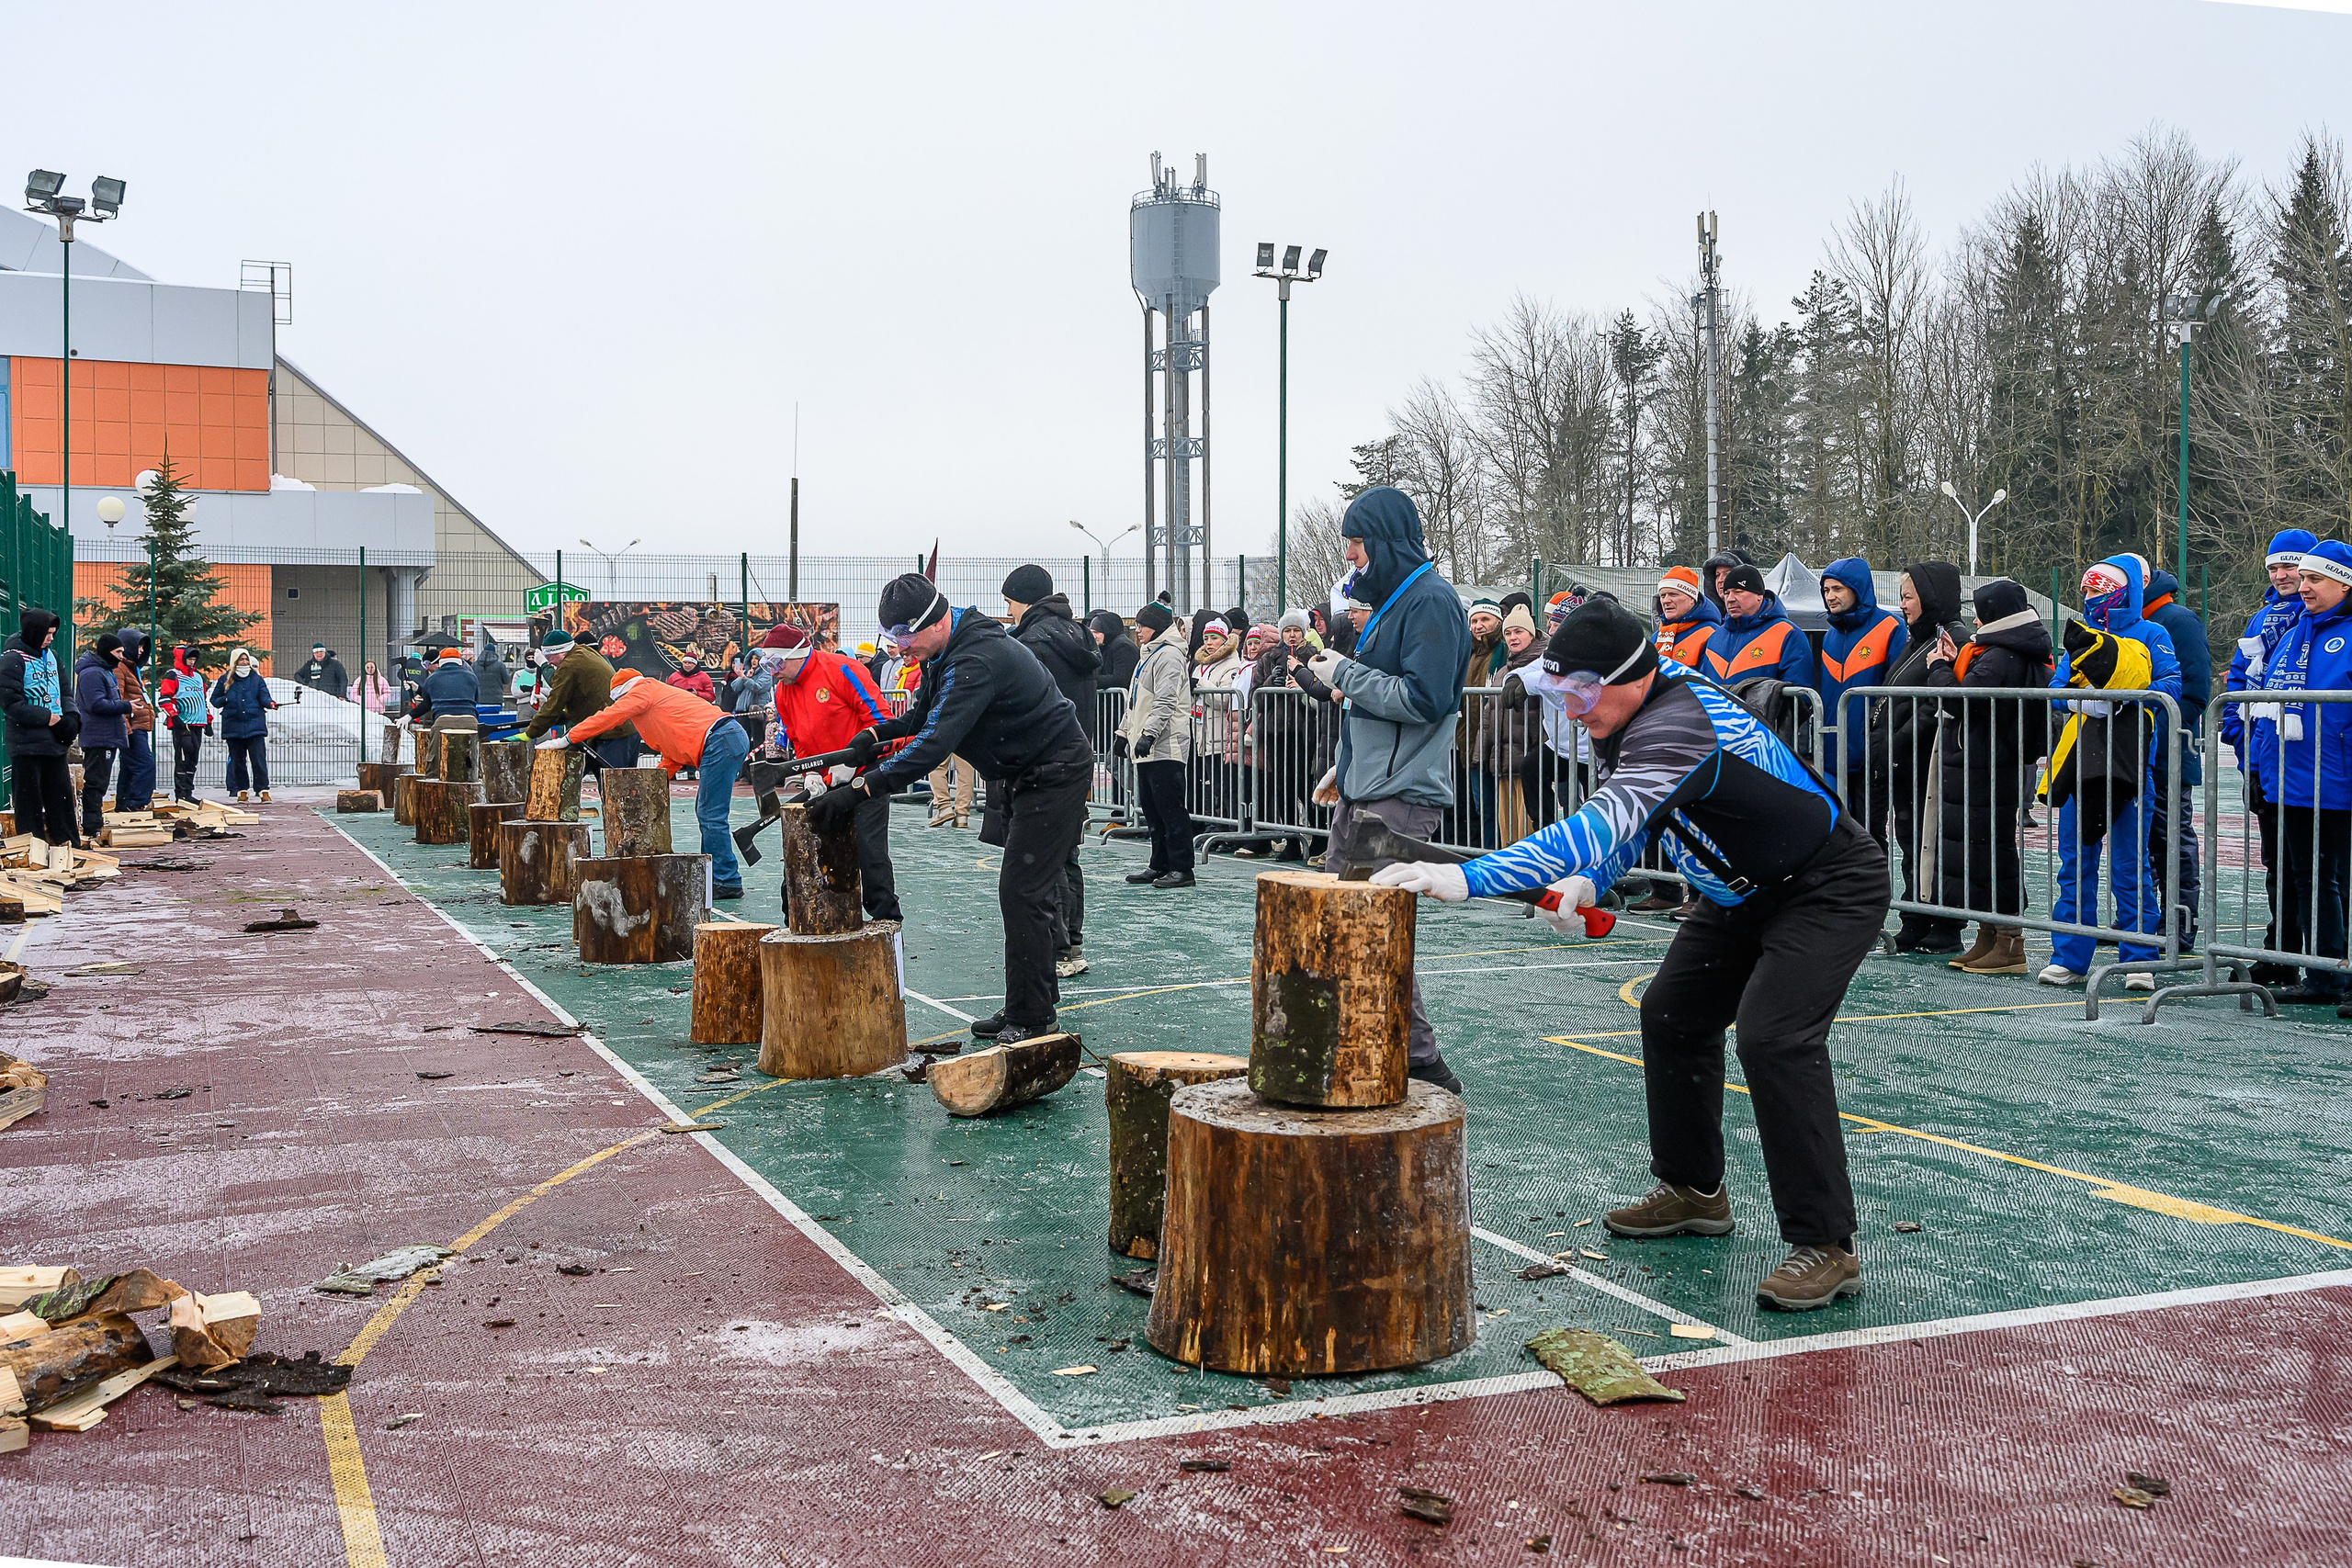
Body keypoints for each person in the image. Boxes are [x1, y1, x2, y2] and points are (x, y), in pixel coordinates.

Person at [1373, 597, 1888, 1312]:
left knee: (1775, 1038)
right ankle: (1694, 1190)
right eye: (1563, 695)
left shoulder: (1680, 721)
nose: (1575, 710)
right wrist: (1595, 878)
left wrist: (1465, 875)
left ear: (1630, 676)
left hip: (1827, 885)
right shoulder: (1632, 708)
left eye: (1583, 693)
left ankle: (1828, 1244)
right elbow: (1642, 817)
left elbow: (1598, 821)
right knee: (1672, 1013)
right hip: (1735, 893)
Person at [812, 573, 1095, 1045]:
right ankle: (1027, 1005)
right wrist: (874, 737)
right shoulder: (946, 650)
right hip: (1025, 770)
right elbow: (922, 715)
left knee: (1024, 890)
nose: (901, 650)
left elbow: (935, 743)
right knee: (1024, 891)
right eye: (893, 639)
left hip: (1056, 770)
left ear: (936, 620)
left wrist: (862, 790)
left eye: (906, 637)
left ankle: (1034, 1017)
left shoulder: (976, 659)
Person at [1304, 485, 1474, 1093]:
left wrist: (1343, 673)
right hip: (1370, 788)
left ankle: (1422, 1060)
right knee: (1345, 921)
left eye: (1355, 544)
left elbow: (1425, 700)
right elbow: (1386, 702)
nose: (1350, 558)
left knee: (1370, 928)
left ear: (1382, 541)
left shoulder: (1430, 602)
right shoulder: (1405, 597)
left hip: (1399, 796)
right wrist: (1345, 771)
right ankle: (1368, 1043)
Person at [2040, 554, 2181, 991]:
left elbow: (2172, 685)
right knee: (2074, 862)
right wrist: (2079, 700)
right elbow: (2056, 687)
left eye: (2098, 589)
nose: (2090, 597)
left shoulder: (2152, 632)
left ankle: (2138, 956)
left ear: (2121, 591)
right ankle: (2070, 955)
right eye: (2085, 591)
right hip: (2081, 765)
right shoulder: (2081, 636)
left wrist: (2125, 695)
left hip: (2130, 762)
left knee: (2129, 863)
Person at [1928, 579, 2052, 976]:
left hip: (1988, 763)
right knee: (1980, 849)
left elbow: (1966, 701)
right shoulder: (2007, 649)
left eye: (1982, 610)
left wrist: (1940, 669)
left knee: (1989, 849)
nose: (1976, 619)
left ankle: (2010, 941)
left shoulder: (2001, 655)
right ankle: (1990, 933)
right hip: (1988, 760)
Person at [2255, 541, 2352, 1006]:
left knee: (2338, 879)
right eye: (2303, 578)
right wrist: (2258, 760)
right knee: (2308, 879)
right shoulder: (2296, 630)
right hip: (2293, 778)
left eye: (2316, 579)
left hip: (2340, 778)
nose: (2304, 586)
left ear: (2344, 583)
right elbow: (2263, 700)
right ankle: (2326, 973)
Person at [560, 667, 751, 899]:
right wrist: (647, 786)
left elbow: (610, 716)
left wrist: (570, 737)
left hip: (720, 739)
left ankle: (725, 879)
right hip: (723, 738)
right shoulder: (657, 705)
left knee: (710, 814)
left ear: (623, 694)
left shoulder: (644, 690)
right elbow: (673, 755)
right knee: (708, 813)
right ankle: (716, 876)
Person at [2222, 529, 2317, 984]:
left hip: (2307, 762)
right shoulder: (2263, 618)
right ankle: (2279, 948)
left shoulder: (2318, 618)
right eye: (2274, 568)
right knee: (2276, 861)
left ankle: (2314, 956)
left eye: (2290, 567)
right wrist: (2241, 738)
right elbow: (2240, 681)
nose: (2281, 576)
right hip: (2262, 758)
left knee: (2313, 866)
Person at [766, 624, 901, 923]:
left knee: (870, 852)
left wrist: (857, 759)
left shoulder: (843, 670)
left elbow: (885, 724)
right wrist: (810, 772)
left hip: (868, 772)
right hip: (828, 780)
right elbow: (799, 741)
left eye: (777, 663)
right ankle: (796, 921)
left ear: (797, 655)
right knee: (804, 847)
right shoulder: (782, 692)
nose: (773, 672)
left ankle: (888, 924)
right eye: (769, 665)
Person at [1004, 566, 1102, 977]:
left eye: (1009, 602)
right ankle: (1071, 944)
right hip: (1076, 754)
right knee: (1067, 855)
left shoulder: (1032, 643)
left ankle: (1059, 947)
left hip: (1044, 760)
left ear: (1024, 600)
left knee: (1044, 860)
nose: (1007, 611)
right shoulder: (1075, 634)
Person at [1875, 562, 1970, 954]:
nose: (1903, 605)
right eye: (1901, 597)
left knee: (1941, 842)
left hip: (1933, 760)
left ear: (1931, 597)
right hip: (1906, 762)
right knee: (1912, 838)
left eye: (1909, 596)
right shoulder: (1917, 640)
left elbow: (1937, 704)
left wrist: (1898, 739)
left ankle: (1947, 923)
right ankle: (1915, 915)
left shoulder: (1955, 640)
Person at [2142, 568, 2210, 952]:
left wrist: (2151, 728)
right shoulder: (2135, 621)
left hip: (2166, 754)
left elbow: (2194, 693)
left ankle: (2179, 922)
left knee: (2171, 840)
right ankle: (2142, 916)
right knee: (2138, 838)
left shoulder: (2177, 620)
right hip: (2131, 754)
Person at [1117, 601, 1197, 886]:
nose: (1137, 630)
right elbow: (1135, 701)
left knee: (1171, 808)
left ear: (1157, 626)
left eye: (1143, 625)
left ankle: (1182, 867)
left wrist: (1149, 734)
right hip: (1146, 747)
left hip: (1166, 745)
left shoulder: (1170, 656)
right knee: (1151, 808)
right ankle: (1159, 862)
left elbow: (1165, 701)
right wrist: (1123, 733)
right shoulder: (1147, 656)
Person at [1815, 558, 1905, 785]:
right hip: (1831, 755)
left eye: (1838, 589)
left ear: (1858, 589)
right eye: (1826, 590)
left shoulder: (1891, 627)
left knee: (1867, 821)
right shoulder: (1829, 636)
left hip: (1871, 756)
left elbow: (1899, 692)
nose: (1830, 596)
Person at [0, 609, 76, 845]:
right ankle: (32, 848)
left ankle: (67, 844)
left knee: (61, 798)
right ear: (34, 632)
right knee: (29, 802)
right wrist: (46, 717)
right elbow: (10, 702)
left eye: (53, 634)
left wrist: (72, 717)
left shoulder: (52, 656)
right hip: (27, 743)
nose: (51, 638)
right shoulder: (13, 658)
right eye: (47, 633)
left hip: (54, 741)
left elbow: (65, 690)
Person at [523, 628, 640, 771]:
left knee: (613, 783)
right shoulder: (584, 652)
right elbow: (580, 696)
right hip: (621, 728)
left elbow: (553, 706)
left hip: (614, 733)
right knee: (617, 782)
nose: (550, 662)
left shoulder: (569, 665)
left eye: (550, 657)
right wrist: (562, 714)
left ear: (562, 652)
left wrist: (528, 734)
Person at [1484, 604, 1546, 843]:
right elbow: (1489, 715)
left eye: (1518, 631)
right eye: (1508, 633)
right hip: (1503, 761)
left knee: (1528, 825)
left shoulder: (1542, 666)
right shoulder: (1502, 672)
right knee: (1507, 825)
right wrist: (1484, 754)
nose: (1512, 637)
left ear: (1531, 634)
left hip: (1531, 762)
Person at [1702, 562, 1815, 687]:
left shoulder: (1788, 634)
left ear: (1759, 596)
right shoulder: (1715, 637)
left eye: (1738, 592)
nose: (1730, 599)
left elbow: (1799, 696)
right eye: (1727, 593)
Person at [75, 632, 136, 836]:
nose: (121, 656)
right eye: (118, 651)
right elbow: (96, 704)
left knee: (99, 781)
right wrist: (126, 706)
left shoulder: (104, 671)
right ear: (106, 651)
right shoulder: (93, 673)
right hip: (98, 736)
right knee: (96, 782)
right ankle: (92, 826)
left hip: (105, 735)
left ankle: (94, 823)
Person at [212, 648, 278, 803]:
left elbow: (264, 696)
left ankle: (263, 789)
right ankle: (242, 789)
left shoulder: (256, 679)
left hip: (255, 724)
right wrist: (225, 700)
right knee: (238, 761)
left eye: (246, 659)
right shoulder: (225, 679)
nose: (244, 662)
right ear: (234, 661)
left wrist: (270, 703)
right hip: (233, 726)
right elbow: (215, 700)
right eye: (241, 660)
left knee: (258, 760)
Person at [110, 629, 158, 815]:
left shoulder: (131, 668)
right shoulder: (121, 669)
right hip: (132, 727)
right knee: (145, 765)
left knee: (129, 768)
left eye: (143, 648)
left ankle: (124, 804)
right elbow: (119, 699)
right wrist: (125, 728)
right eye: (138, 646)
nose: (140, 651)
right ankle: (136, 803)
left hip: (137, 726)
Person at [159, 646, 212, 802]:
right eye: (189, 659)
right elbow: (164, 699)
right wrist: (175, 717)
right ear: (181, 658)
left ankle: (188, 792)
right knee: (183, 759)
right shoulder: (173, 675)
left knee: (193, 758)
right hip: (182, 724)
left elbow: (202, 700)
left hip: (198, 724)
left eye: (194, 659)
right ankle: (181, 794)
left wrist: (208, 720)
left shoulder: (197, 677)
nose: (192, 662)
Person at [1652, 567, 1721, 669]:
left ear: (1692, 599)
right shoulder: (1657, 636)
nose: (1666, 600)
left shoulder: (1711, 634)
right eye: (1663, 595)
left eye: (1673, 594)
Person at [665, 652, 716, 779]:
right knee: (673, 743)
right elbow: (666, 694)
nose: (687, 665)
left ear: (695, 664)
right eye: (685, 663)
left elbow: (711, 696)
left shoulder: (704, 677)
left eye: (690, 663)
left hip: (695, 716)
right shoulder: (673, 677)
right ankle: (672, 771)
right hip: (676, 716)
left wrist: (697, 694)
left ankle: (691, 770)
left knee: (692, 743)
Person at [407, 646, 479, 728]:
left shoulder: (432, 679)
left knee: (438, 740)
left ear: (439, 663)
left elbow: (427, 703)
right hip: (470, 720)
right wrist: (418, 689)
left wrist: (409, 716)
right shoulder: (472, 676)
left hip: (442, 720)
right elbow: (476, 699)